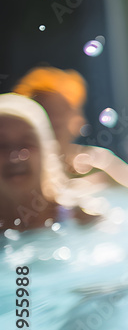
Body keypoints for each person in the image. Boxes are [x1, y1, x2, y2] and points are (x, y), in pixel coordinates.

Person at [13, 66, 128, 192]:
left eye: (60, 111)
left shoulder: (94, 163)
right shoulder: (18, 168)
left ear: (77, 121)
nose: (54, 117)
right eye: (45, 111)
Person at [0, 93, 96, 231]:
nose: (16, 156)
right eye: (2, 145)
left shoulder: (83, 219)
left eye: (27, 143)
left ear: (47, 152)